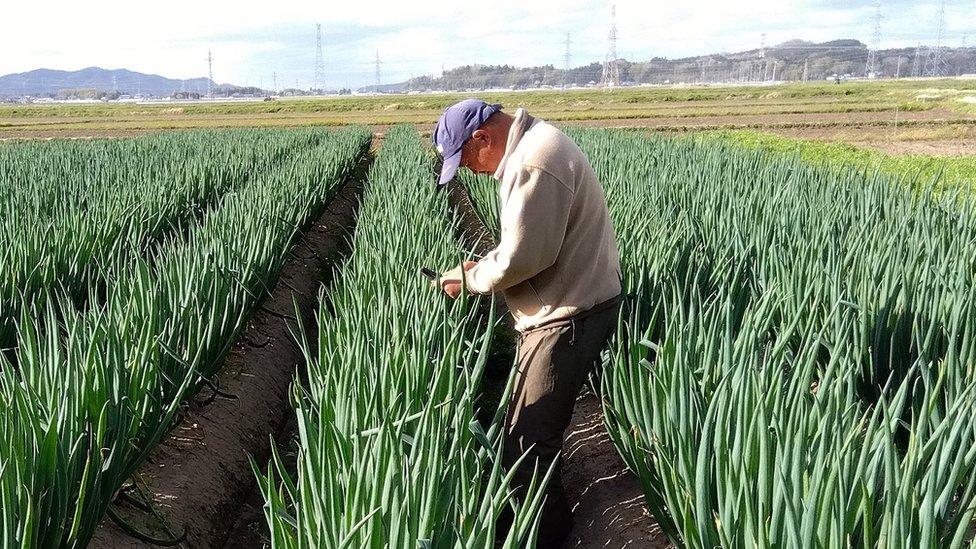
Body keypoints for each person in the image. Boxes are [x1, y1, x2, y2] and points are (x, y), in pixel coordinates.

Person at [432, 99, 622, 548]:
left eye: (467, 161)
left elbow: (525, 257)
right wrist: (486, 264)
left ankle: (549, 537)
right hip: (564, 303)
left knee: (529, 444)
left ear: (483, 138)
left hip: (568, 315)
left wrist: (471, 277)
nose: (472, 172)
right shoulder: (532, 148)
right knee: (520, 433)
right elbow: (529, 242)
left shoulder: (535, 161)